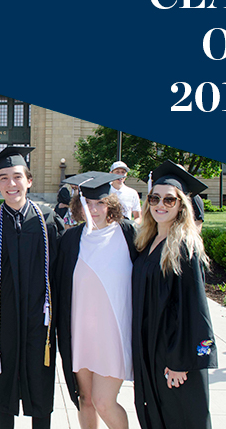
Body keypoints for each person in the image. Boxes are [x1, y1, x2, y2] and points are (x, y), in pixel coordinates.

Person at [0, 146, 64, 428]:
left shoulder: (48, 221)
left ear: (29, 181)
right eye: (3, 178)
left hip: (38, 317)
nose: (11, 184)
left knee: (39, 377)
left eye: (17, 177)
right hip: (2, 318)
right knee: (4, 378)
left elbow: (62, 271)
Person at [132, 160, 217, 429]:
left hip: (174, 356)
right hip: (151, 351)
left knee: (181, 418)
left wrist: (182, 362)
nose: (160, 204)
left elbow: (195, 310)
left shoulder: (184, 247)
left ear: (181, 205)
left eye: (170, 200)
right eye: (154, 198)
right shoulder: (147, 242)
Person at [55, 172, 138, 429]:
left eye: (100, 203)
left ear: (110, 204)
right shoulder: (71, 239)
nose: (94, 209)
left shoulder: (127, 235)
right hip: (81, 334)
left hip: (114, 332)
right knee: (86, 400)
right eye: (87, 203)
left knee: (104, 401)